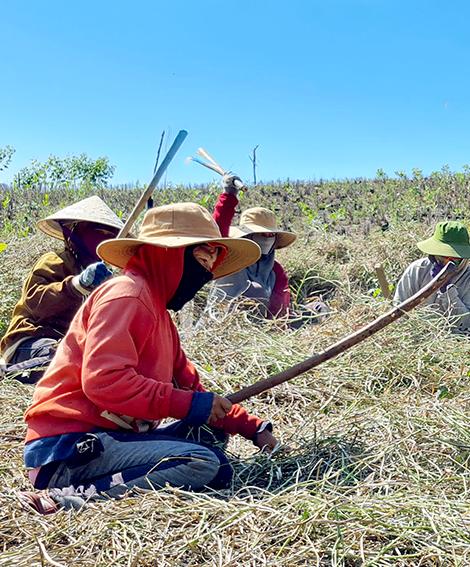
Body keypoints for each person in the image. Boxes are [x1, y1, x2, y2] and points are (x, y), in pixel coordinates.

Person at [19, 202, 279, 513]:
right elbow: (104, 381)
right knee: (206, 463)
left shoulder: (161, 316)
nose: (205, 273)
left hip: (110, 439)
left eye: (211, 264)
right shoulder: (126, 295)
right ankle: (70, 497)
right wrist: (188, 405)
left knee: (209, 431)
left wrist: (253, 427)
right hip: (70, 447)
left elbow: (193, 390)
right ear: (167, 255)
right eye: (200, 259)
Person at [0, 196, 125, 382]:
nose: (103, 239)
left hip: (72, 345)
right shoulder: (55, 261)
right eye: (97, 232)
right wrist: (76, 285)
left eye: (110, 235)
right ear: (74, 233)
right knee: (60, 359)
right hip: (32, 339)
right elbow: (34, 301)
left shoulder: (104, 276)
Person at [207, 172, 296, 320]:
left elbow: (280, 309)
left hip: (263, 331)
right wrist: (229, 195)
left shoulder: (275, 271)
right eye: (261, 234)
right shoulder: (229, 258)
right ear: (247, 237)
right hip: (223, 326)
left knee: (317, 308)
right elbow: (215, 237)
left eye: (270, 235)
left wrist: (279, 333)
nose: (267, 239)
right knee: (256, 291)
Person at [392, 220, 470, 333]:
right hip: (415, 335)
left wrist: (447, 289)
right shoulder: (417, 269)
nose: (445, 262)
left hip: (452, 340)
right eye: (442, 256)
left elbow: (465, 323)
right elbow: (399, 310)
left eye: (452, 258)